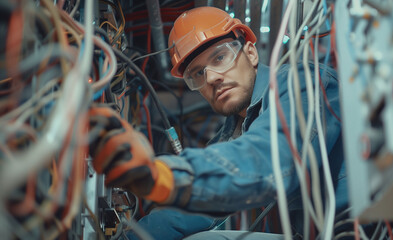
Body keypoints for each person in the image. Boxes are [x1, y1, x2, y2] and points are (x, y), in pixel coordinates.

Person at [89, 6, 347, 239]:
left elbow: (270, 157)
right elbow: (192, 212)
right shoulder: (230, 136)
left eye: (220, 58)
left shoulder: (306, 84)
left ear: (251, 53)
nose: (211, 77)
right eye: (197, 74)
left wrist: (163, 175)